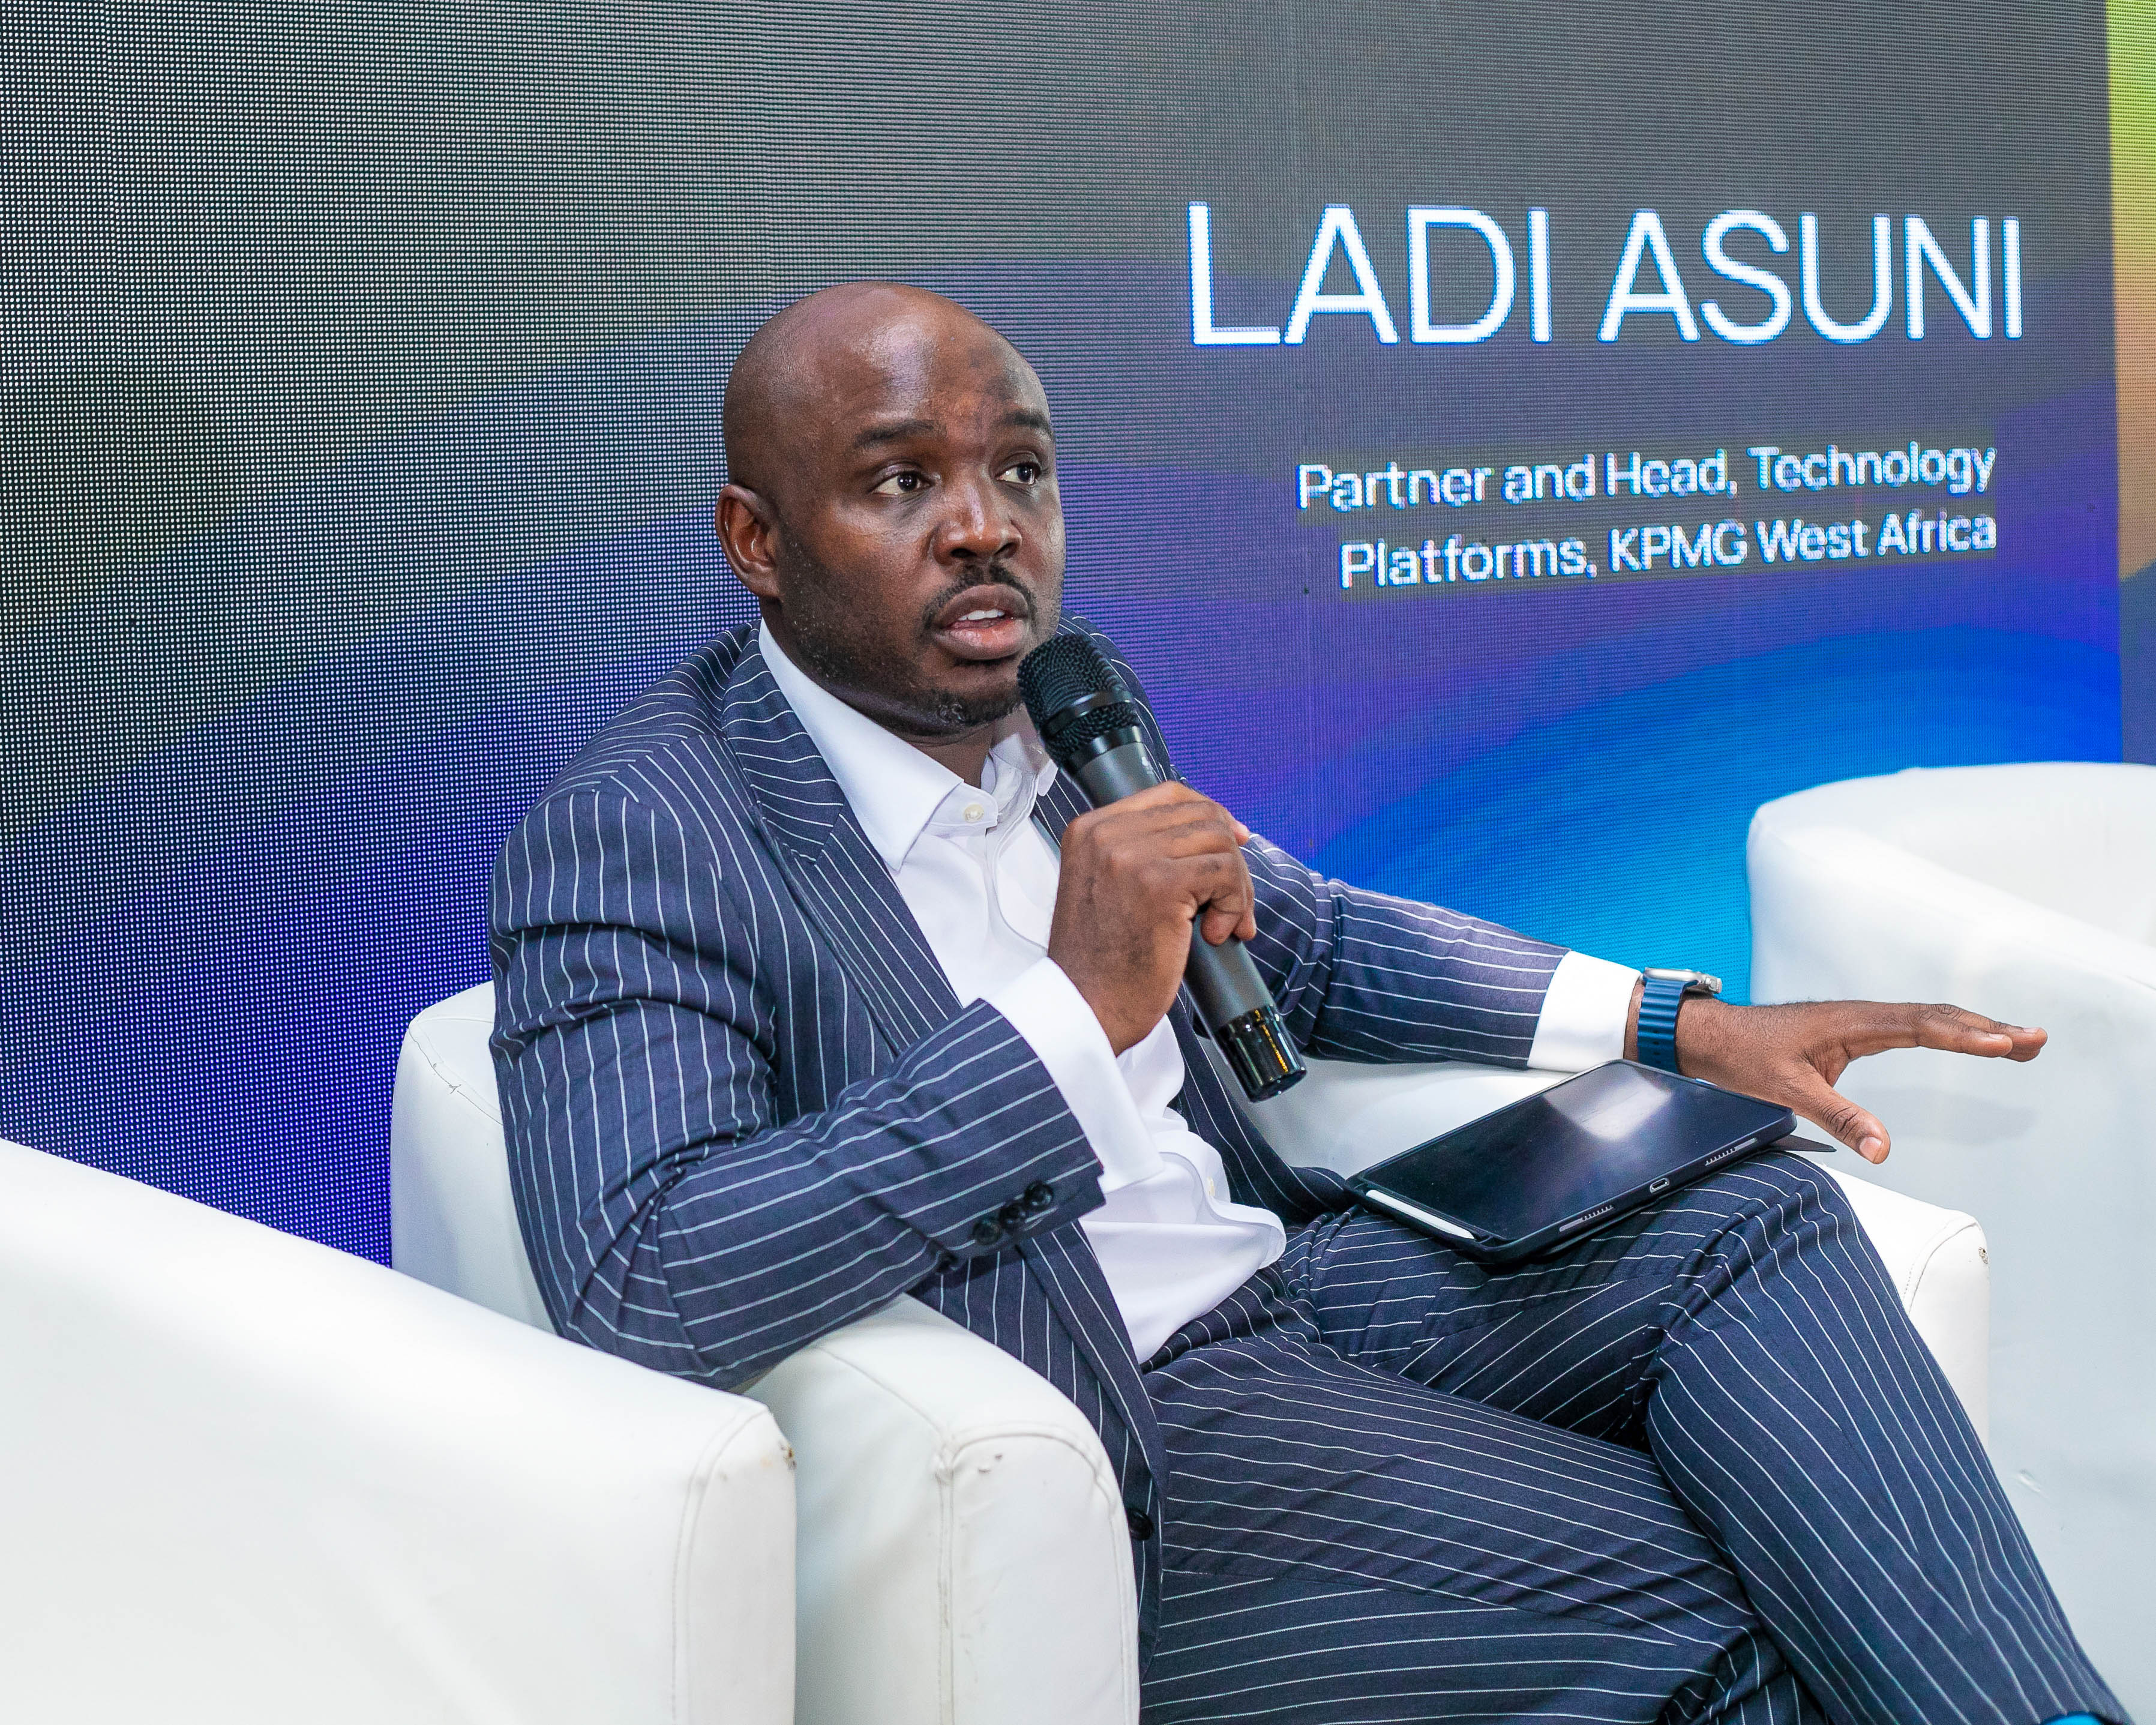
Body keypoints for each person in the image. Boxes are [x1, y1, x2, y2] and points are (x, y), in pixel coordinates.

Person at [489, 282, 2121, 1724]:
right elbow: (644, 1275)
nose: (985, 527)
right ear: (758, 541)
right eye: (903, 482)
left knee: (1751, 1213)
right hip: (1109, 1422)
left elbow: (1311, 939)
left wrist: (1681, 1026)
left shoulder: (1061, 709)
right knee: (1728, 1610)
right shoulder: (645, 825)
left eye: (1022, 472)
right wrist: (1068, 1014)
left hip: (1292, 1287)